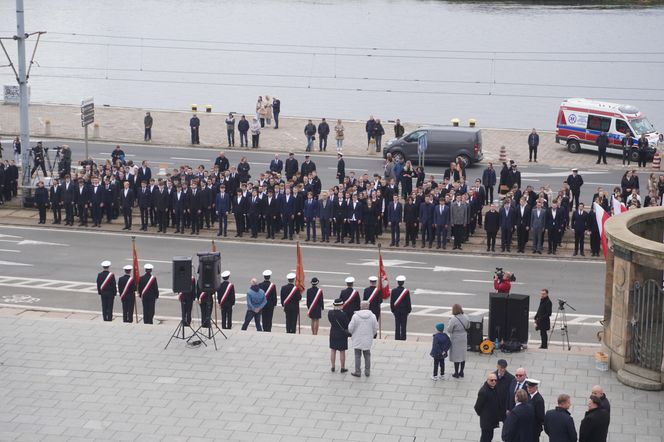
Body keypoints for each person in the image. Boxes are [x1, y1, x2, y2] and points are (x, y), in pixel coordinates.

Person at [348, 301, 379, 378]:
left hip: (357, 338)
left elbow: (350, 328)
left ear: (360, 306)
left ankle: (358, 371)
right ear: (368, 307)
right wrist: (372, 334)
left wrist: (352, 333)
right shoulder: (373, 316)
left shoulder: (355, 316)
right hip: (367, 339)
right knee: (367, 355)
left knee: (357, 355)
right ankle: (367, 371)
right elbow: (375, 328)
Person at [474, 372, 501, 442]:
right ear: (487, 380)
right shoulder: (483, 392)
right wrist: (484, 415)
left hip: (492, 419)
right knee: (485, 437)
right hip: (486, 421)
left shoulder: (495, 387)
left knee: (490, 436)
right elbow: (477, 407)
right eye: (491, 380)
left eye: (495, 380)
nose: (494, 382)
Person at [447, 303, 469, 378]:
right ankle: (461, 372)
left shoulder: (453, 319)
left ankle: (456, 373)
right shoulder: (466, 317)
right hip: (464, 337)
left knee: (456, 356)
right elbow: (468, 326)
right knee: (463, 355)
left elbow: (449, 330)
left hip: (456, 338)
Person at [328, 298, 349, 373]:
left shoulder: (330, 313)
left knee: (333, 350)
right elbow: (347, 325)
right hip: (341, 334)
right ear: (341, 305)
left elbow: (331, 321)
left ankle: (333, 366)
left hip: (333, 333)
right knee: (342, 351)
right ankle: (342, 367)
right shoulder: (343, 314)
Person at [390, 275, 411, 340]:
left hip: (396, 310)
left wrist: (393, 310)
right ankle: (403, 338)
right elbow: (408, 302)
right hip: (404, 311)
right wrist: (409, 310)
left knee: (397, 325)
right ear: (403, 282)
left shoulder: (393, 291)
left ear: (397, 282)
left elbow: (392, 302)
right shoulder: (406, 291)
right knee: (403, 325)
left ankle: (397, 337)